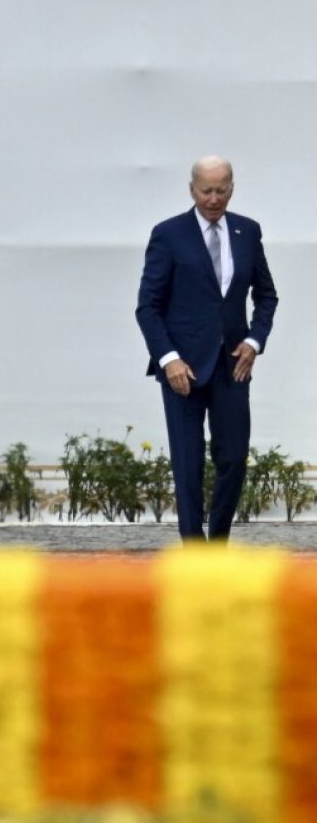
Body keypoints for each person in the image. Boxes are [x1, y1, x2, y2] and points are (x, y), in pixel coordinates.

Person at [135, 156, 278, 542]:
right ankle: (193, 550)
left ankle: (218, 541)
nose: (214, 198)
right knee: (189, 462)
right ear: (191, 189)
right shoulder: (168, 234)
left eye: (222, 189)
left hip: (233, 367)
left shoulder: (248, 232)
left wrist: (254, 340)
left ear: (232, 187)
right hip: (183, 369)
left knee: (232, 459)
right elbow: (147, 306)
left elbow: (266, 296)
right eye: (206, 190)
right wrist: (169, 359)